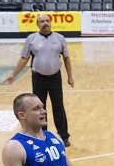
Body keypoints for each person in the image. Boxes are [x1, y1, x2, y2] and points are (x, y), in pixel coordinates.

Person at [5, 14, 74, 147]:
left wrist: (70, 76)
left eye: (47, 21)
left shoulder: (59, 38)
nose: (45, 23)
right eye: (42, 21)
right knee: (38, 109)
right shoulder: (31, 39)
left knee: (58, 106)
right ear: (37, 24)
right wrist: (13, 74)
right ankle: (42, 135)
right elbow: (24, 58)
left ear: (50, 22)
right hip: (38, 78)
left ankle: (64, 136)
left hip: (55, 77)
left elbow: (66, 58)